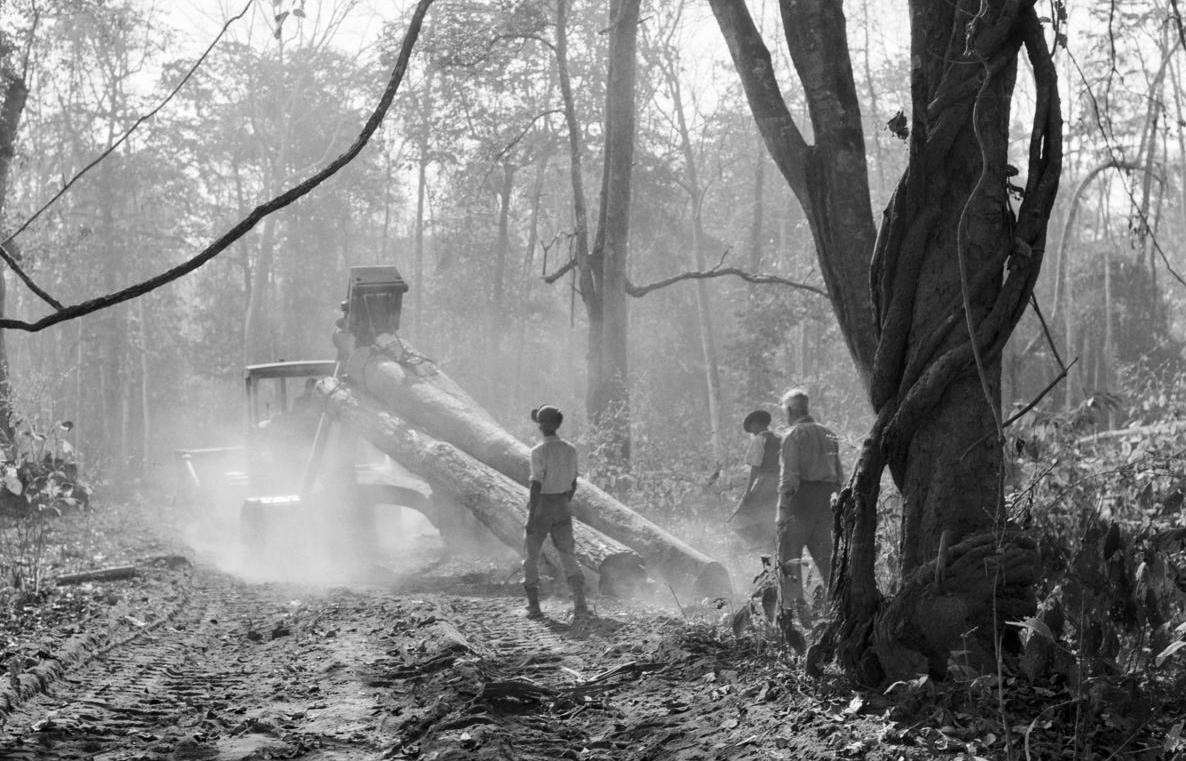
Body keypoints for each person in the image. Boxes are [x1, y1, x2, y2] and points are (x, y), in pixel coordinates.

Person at [777, 388, 843, 631]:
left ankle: (796, 621)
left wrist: (782, 513)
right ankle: (839, 615)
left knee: (789, 560)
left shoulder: (793, 436)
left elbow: (789, 478)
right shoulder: (829, 434)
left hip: (801, 501)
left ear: (791, 410)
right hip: (827, 502)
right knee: (828, 562)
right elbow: (840, 478)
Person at [522, 405, 588, 620]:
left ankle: (534, 606)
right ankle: (580, 604)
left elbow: (536, 485)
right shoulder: (570, 449)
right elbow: (574, 482)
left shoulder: (538, 451)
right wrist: (563, 502)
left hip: (541, 505)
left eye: (540, 421)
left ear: (543, 425)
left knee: (531, 556)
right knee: (568, 554)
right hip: (562, 504)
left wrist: (531, 517)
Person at [729, 410, 781, 550]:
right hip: (782, 483)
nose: (751, 431)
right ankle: (771, 542)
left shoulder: (760, 439)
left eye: (751, 427)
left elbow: (755, 467)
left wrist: (748, 492)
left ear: (756, 424)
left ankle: (760, 542)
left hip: (767, 482)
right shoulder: (780, 438)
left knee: (740, 515)